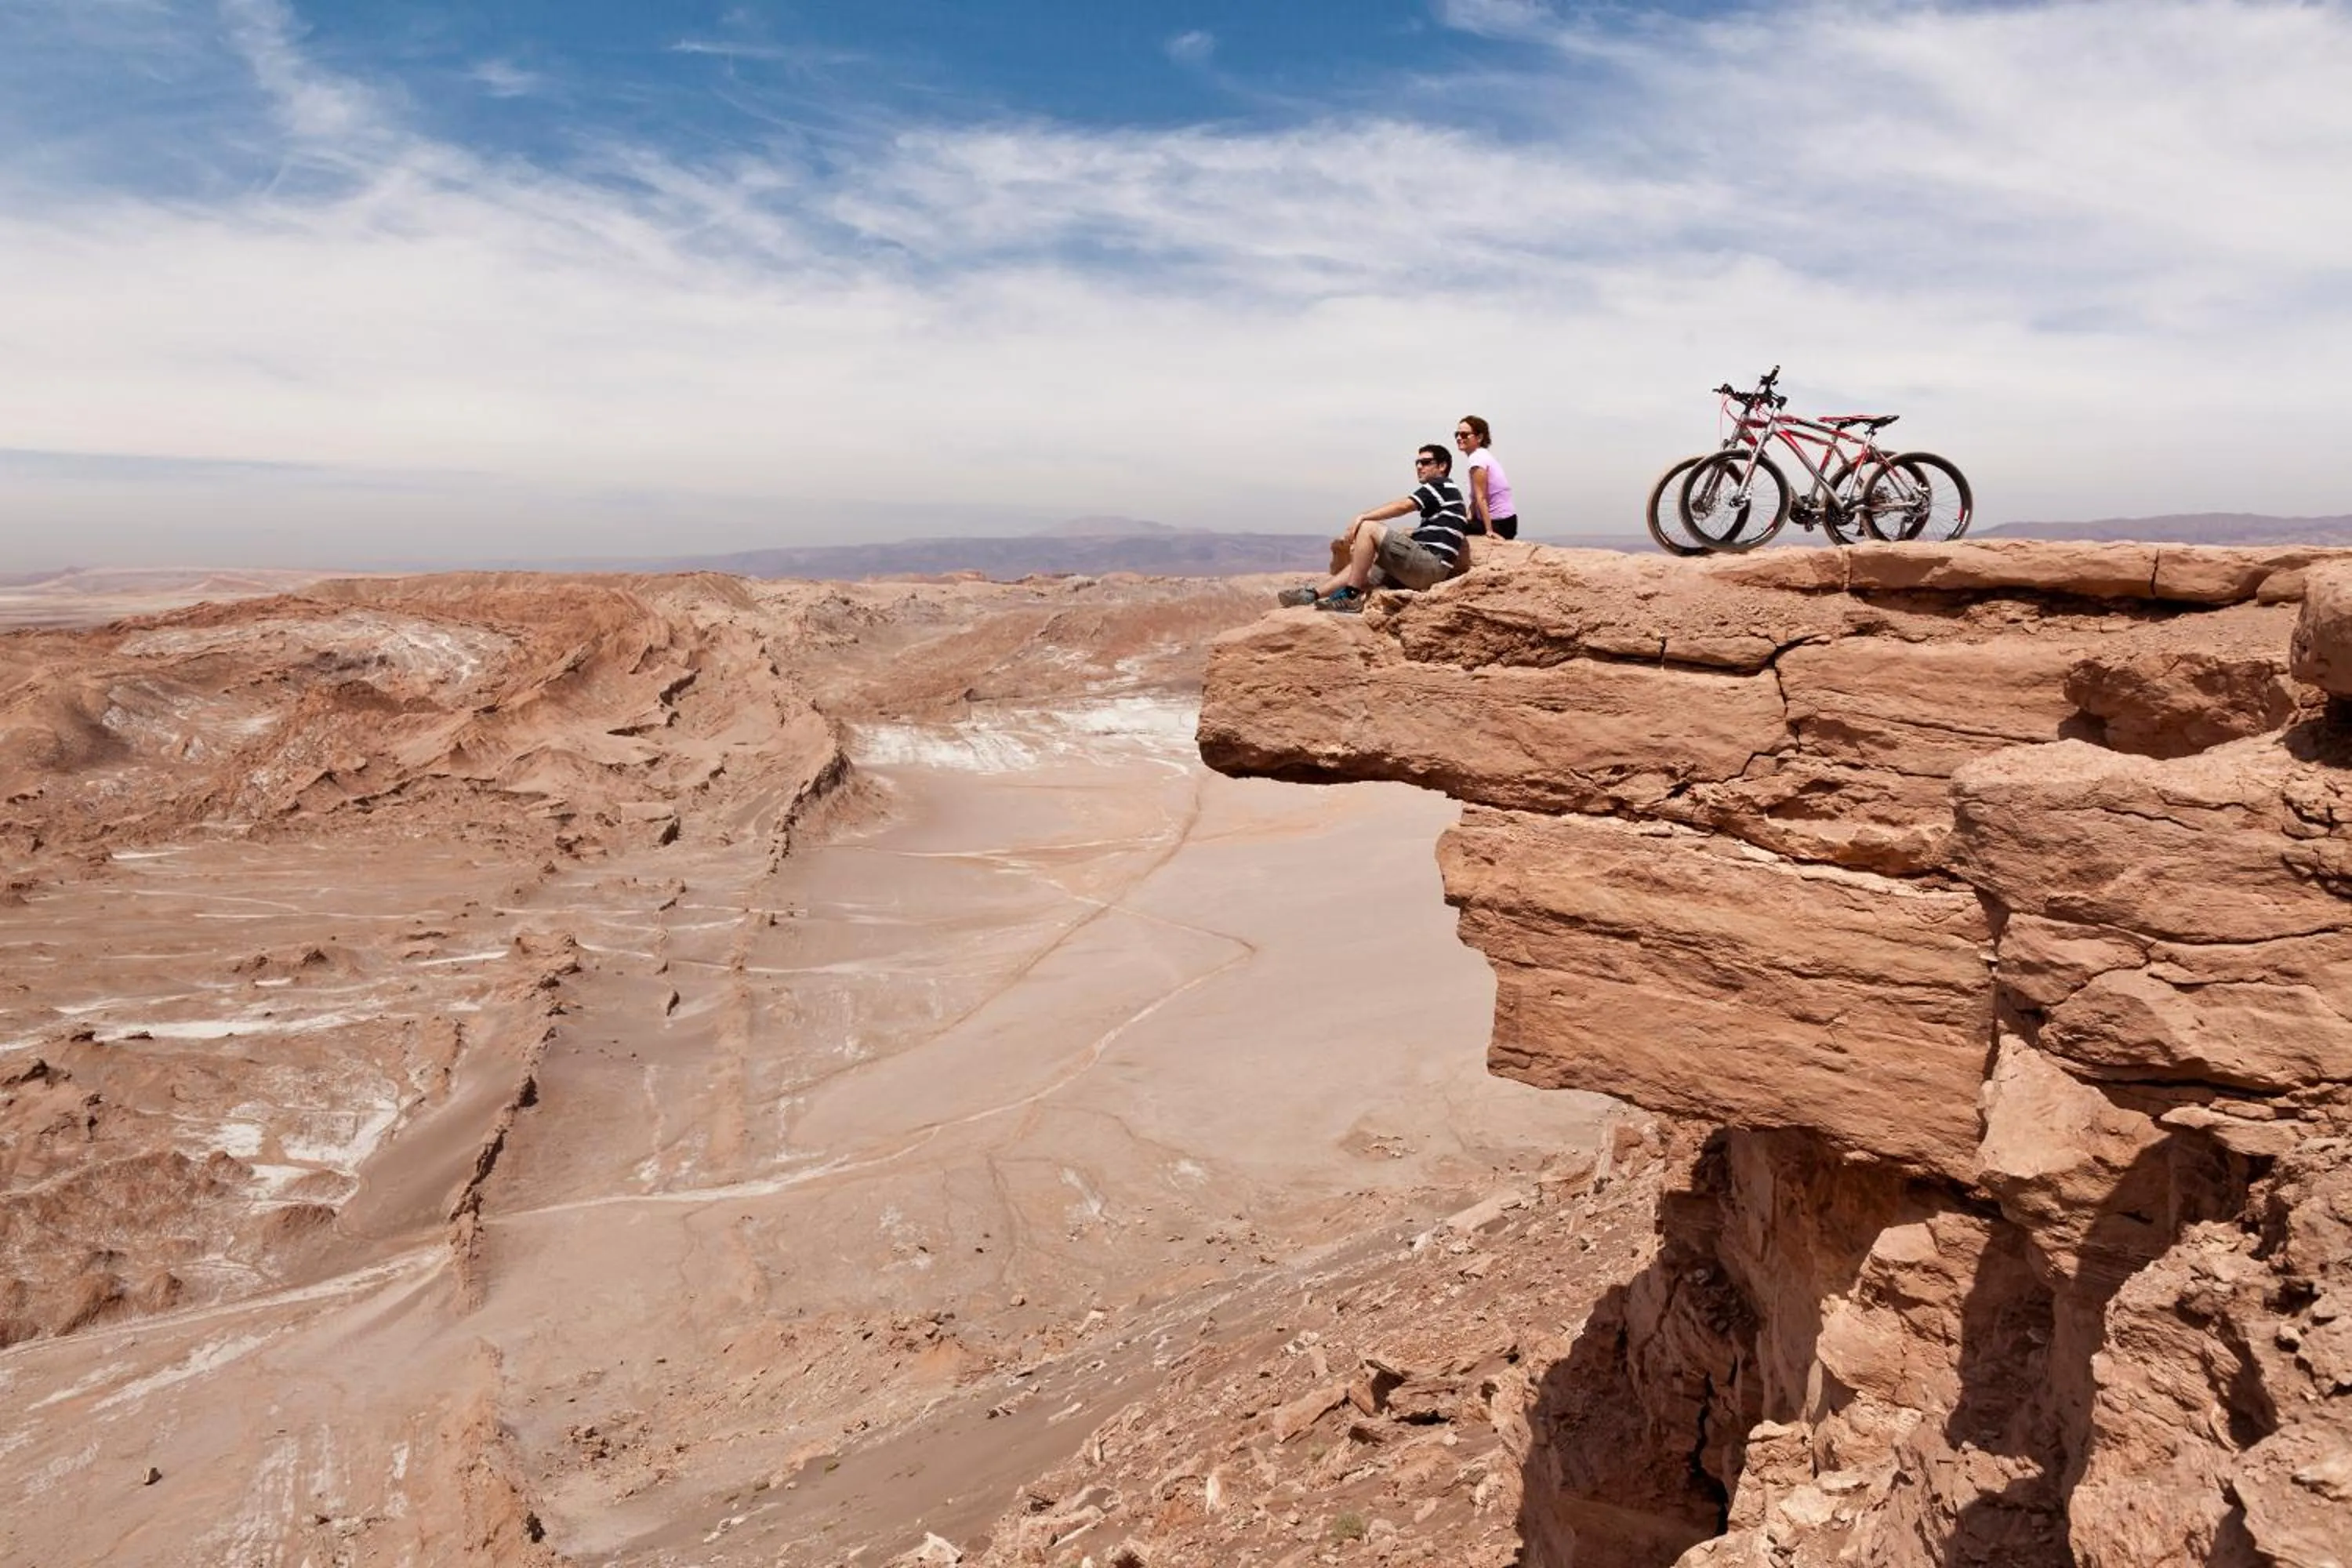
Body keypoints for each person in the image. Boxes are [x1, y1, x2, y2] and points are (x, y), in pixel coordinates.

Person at [1276, 444, 1469, 612]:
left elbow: (1404, 506)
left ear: (1442, 466)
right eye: (1417, 463)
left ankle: (1350, 597)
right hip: (1425, 569)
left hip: (1429, 566)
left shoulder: (1441, 485)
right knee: (1364, 566)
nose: (1419, 467)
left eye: (1426, 462)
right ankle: (1312, 595)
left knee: (1368, 528)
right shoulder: (1444, 493)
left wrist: (1363, 516)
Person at [1454, 415, 1518, 540]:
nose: (1459, 438)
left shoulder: (1477, 459)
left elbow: (1481, 498)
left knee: (1448, 525)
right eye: (1457, 434)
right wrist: (1467, 520)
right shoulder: (1482, 455)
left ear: (1479, 437)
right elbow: (1475, 501)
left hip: (1498, 524)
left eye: (1464, 435)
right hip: (1508, 521)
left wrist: (1489, 531)